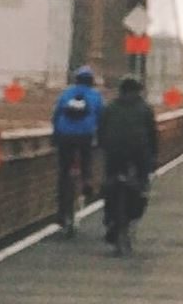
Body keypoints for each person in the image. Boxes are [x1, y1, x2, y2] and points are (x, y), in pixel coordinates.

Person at [98, 73, 157, 253]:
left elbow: (101, 131)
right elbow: (152, 136)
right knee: (141, 187)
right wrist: (153, 158)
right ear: (138, 91)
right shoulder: (145, 109)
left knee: (110, 185)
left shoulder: (110, 107)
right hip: (139, 154)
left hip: (114, 153)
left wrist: (104, 147)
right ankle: (132, 215)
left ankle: (110, 218)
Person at [50, 64, 104, 235]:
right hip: (85, 136)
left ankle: (61, 212)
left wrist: (55, 135)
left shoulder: (66, 93)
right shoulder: (95, 96)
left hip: (65, 136)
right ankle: (87, 180)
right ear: (91, 81)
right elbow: (101, 118)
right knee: (86, 159)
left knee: (64, 173)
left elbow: (56, 115)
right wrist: (100, 138)